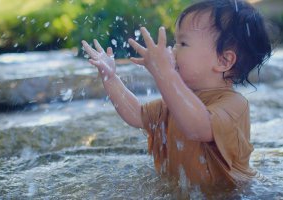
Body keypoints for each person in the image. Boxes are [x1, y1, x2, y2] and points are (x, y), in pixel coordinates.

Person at [81, 0, 272, 193]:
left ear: (223, 60)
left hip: (232, 195)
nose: (172, 50)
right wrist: (110, 77)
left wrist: (165, 73)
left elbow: (198, 128)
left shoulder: (234, 104)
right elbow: (137, 115)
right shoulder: (178, 101)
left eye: (183, 43)